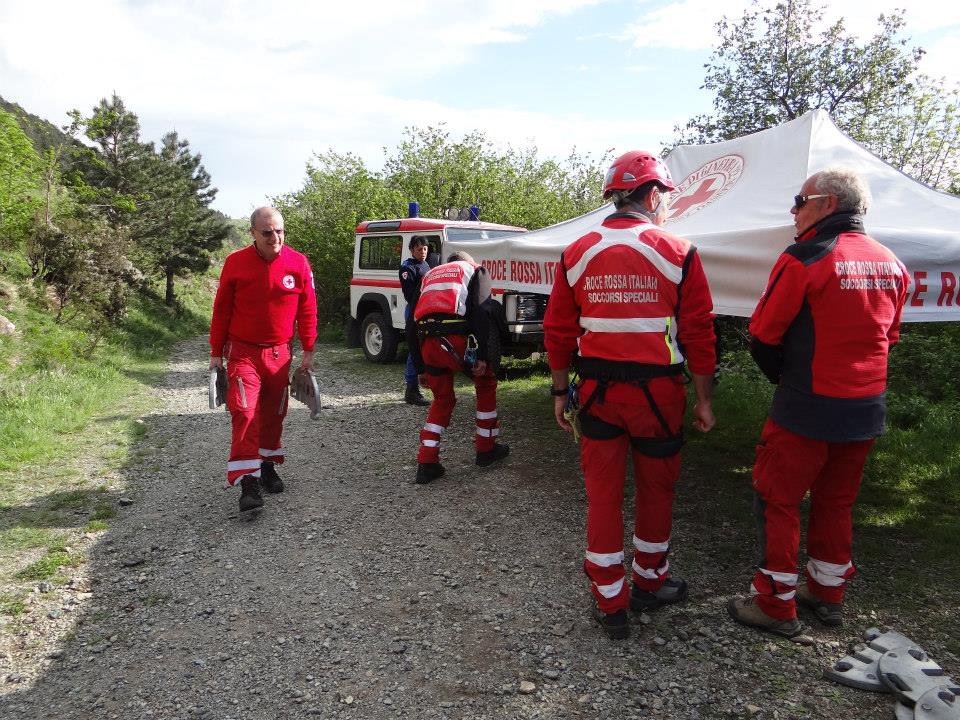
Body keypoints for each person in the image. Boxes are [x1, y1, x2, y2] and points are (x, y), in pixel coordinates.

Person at [727, 168, 908, 637]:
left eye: (799, 199)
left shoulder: (805, 256)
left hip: (806, 407)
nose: (793, 209)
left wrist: (785, 381)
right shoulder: (892, 262)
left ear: (828, 203)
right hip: (866, 406)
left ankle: (774, 604)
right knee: (836, 502)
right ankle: (826, 594)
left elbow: (763, 335)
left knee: (777, 500)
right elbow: (889, 339)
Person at [543, 151, 717, 640]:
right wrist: (704, 400)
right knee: (657, 490)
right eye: (664, 198)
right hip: (659, 397)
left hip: (597, 392)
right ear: (654, 194)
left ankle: (609, 599)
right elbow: (699, 333)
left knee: (602, 494)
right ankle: (649, 581)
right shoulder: (679, 250)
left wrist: (560, 393)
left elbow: (557, 331)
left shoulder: (577, 251)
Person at [209, 206, 318, 512]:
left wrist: (308, 349)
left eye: (280, 231)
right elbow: (222, 311)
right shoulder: (236, 263)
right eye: (267, 232)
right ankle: (248, 483)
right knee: (244, 411)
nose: (275, 238)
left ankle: (267, 465)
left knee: (274, 413)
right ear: (253, 233)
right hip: (243, 352)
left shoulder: (297, 263)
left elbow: (308, 308)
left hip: (280, 354)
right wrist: (216, 353)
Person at [408, 250, 509, 484]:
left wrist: (420, 366)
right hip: (457, 340)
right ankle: (486, 448)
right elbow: (483, 310)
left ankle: (427, 461)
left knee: (442, 399)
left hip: (428, 344)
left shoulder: (429, 276)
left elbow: (412, 322)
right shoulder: (476, 270)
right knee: (485, 384)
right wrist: (482, 354)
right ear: (469, 261)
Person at [399, 236, 436, 406]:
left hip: (426, 309)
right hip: (415, 310)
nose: (423, 252)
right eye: (419, 249)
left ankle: (421, 385)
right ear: (412, 250)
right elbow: (409, 295)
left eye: (425, 249)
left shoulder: (426, 265)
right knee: (415, 347)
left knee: (425, 347)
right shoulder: (407, 268)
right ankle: (411, 388)